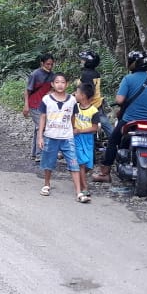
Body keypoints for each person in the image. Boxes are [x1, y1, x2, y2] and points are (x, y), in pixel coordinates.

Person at [92, 50, 147, 183]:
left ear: (134, 64)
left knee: (113, 141)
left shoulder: (128, 79)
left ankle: (105, 173)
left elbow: (120, 100)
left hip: (130, 119)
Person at [36, 73, 88, 202]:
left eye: (63, 82)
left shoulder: (72, 100)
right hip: (50, 135)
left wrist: (73, 128)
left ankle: (79, 192)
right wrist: (40, 136)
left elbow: (72, 116)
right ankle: (47, 184)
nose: (60, 85)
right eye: (57, 82)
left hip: (67, 137)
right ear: (53, 84)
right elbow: (43, 117)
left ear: (67, 84)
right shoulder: (46, 99)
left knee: (73, 162)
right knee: (48, 162)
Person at [23, 53, 55, 162]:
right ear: (42, 63)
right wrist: (26, 106)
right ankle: (39, 154)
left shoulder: (52, 75)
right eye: (47, 64)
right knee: (42, 127)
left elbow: (53, 89)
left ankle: (34, 153)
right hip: (34, 104)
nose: (49, 67)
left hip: (44, 105)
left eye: (51, 64)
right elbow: (27, 91)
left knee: (38, 129)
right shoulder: (35, 75)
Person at [78, 50, 114, 136]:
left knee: (87, 124)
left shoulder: (86, 74)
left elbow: (88, 90)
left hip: (91, 104)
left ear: (88, 62)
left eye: (83, 60)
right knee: (106, 124)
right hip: (98, 102)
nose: (81, 61)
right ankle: (115, 140)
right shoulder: (95, 73)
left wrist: (80, 101)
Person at [73, 83, 101, 177]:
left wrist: (80, 131)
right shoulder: (75, 107)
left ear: (83, 96)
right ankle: (81, 185)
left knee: (89, 165)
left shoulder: (94, 111)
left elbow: (94, 127)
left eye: (76, 92)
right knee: (81, 162)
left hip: (88, 138)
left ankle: (78, 176)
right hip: (77, 138)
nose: (74, 94)